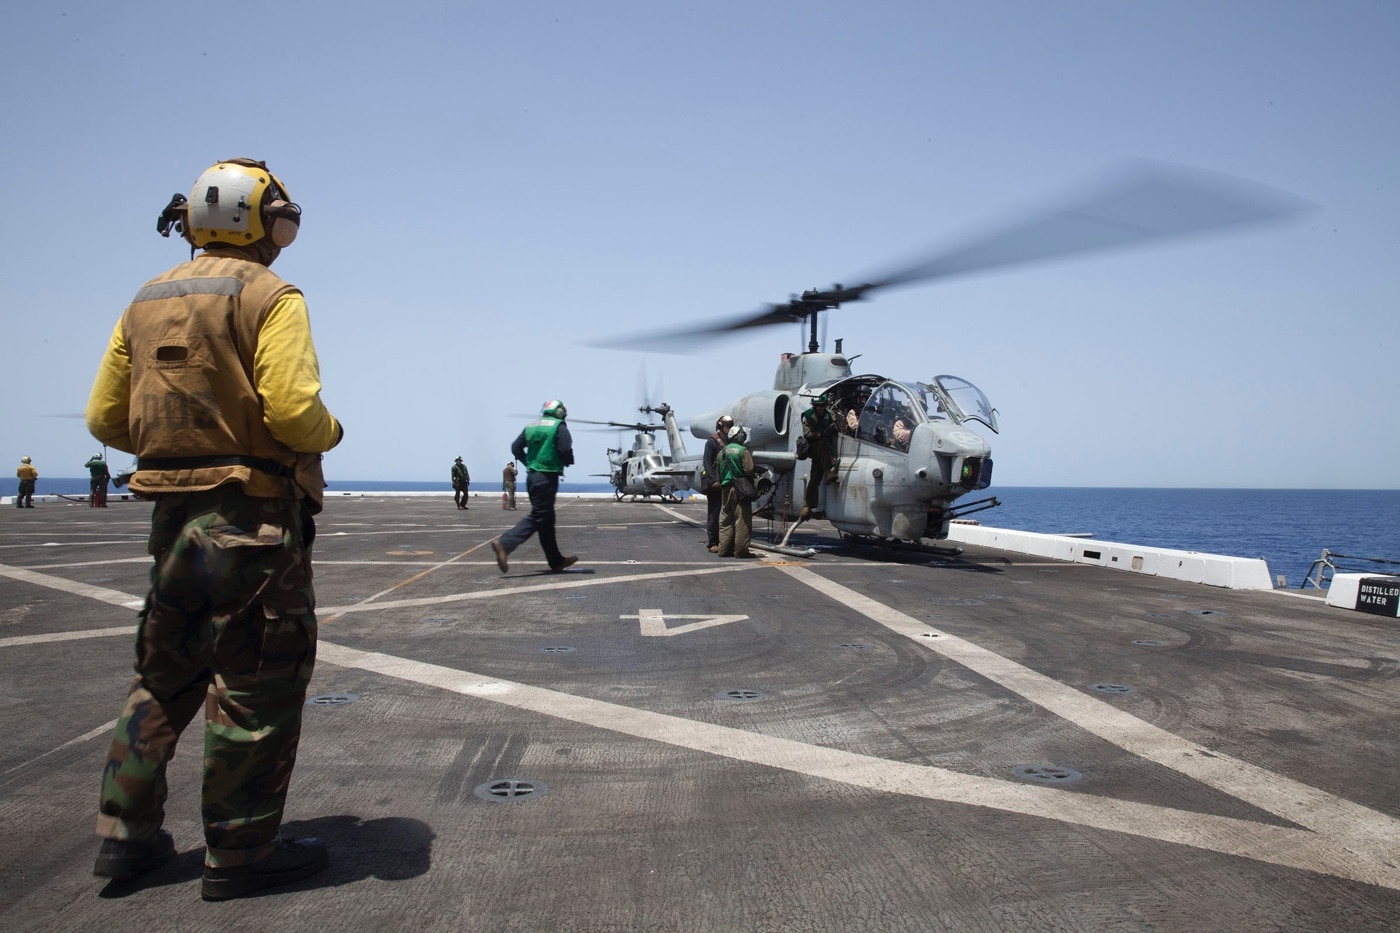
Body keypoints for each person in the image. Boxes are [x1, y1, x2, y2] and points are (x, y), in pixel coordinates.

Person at [85, 158, 342, 901]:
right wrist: (329, 431)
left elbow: (107, 417)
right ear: (261, 220)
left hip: (173, 522)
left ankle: (124, 839)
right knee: (256, 682)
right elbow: (294, 411)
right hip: (253, 519)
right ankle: (240, 851)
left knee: (162, 675)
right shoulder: (271, 294)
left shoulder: (145, 297)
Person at [491, 400, 577, 573]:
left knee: (547, 519)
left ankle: (556, 561)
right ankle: (505, 543)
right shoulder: (559, 427)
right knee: (539, 516)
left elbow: (516, 448)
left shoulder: (531, 426)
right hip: (547, 476)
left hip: (532, 476)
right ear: (558, 412)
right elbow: (565, 449)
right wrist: (568, 461)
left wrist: (529, 462)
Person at [716, 425, 757, 558]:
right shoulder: (743, 451)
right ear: (739, 436)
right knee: (742, 520)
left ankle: (723, 550)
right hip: (740, 490)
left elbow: (719, 471)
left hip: (726, 489)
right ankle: (741, 551)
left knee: (726, 519)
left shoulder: (721, 452)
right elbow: (749, 470)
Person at [800, 393, 838, 520]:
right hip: (814, 447)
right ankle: (828, 471)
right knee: (822, 445)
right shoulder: (808, 416)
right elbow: (807, 434)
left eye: (822, 406)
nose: (820, 408)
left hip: (825, 449)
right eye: (817, 406)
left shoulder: (830, 414)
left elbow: (837, 425)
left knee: (815, 477)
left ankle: (808, 506)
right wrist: (821, 434)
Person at [700, 414, 734, 553]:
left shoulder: (731, 442)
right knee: (714, 513)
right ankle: (713, 543)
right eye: (728, 426)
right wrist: (712, 480)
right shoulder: (712, 442)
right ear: (721, 427)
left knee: (729, 514)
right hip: (715, 483)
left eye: (731, 426)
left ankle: (726, 542)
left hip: (727, 482)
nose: (730, 429)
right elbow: (707, 463)